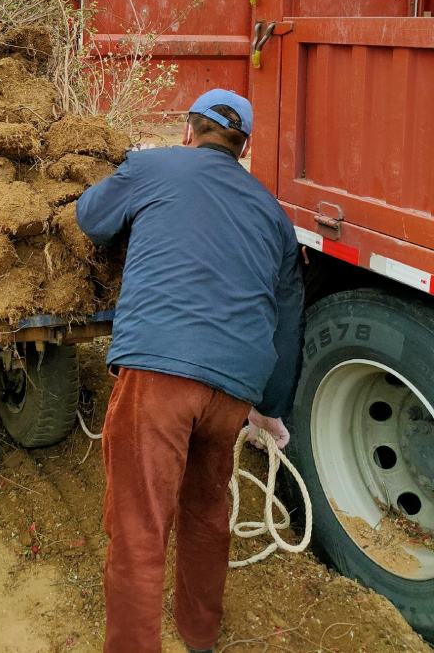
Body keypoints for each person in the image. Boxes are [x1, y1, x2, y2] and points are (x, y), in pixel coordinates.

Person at [75, 89, 304, 653]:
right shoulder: (273, 214)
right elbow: (288, 314)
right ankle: (199, 636)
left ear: (188, 131)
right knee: (206, 509)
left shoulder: (153, 165)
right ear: (243, 147)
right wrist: (270, 409)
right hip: (233, 389)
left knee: (139, 524)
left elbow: (91, 218)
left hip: (159, 375)